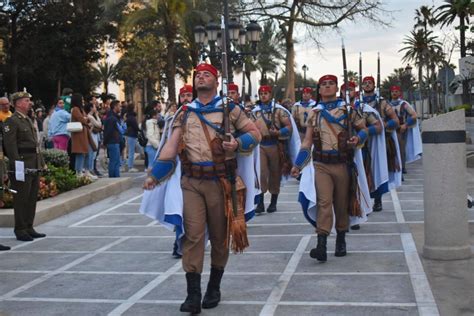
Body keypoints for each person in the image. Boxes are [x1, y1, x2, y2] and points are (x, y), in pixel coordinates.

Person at [142, 63, 261, 314]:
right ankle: (192, 294)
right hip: (192, 183)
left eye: (207, 74)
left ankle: (214, 287)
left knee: (219, 237)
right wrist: (155, 175)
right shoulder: (185, 112)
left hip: (220, 181)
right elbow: (171, 147)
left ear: (216, 81)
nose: (201, 77)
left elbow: (255, 133)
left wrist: (237, 143)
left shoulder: (230, 108)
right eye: (197, 75)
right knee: (193, 235)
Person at [291, 75, 369, 262]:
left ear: (336, 87)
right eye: (323, 84)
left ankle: (341, 239)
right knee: (324, 202)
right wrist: (298, 164)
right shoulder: (314, 112)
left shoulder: (349, 109)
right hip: (321, 164)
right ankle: (321, 244)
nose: (327, 87)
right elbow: (307, 142)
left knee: (341, 203)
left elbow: (364, 129)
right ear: (319, 90)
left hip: (342, 163)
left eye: (330, 84)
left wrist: (357, 139)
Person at [3, 91, 47, 242]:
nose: (30, 103)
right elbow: (10, 146)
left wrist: (41, 163)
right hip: (22, 165)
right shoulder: (12, 121)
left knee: (31, 197)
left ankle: (29, 226)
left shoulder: (27, 120)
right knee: (21, 198)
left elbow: (35, 146)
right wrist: (17, 166)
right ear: (18, 103)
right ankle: (20, 229)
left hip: (33, 164)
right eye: (27, 101)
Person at [252, 85, 298, 214]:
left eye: (266, 93)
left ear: (270, 95)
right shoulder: (254, 112)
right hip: (261, 145)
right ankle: (260, 203)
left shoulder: (279, 111)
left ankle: (273, 202)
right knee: (261, 173)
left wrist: (278, 132)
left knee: (275, 174)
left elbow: (289, 127)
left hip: (275, 145)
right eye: (261, 93)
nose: (263, 95)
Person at [362, 77, 401, 212]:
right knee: (363, 170)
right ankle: (364, 200)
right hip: (363, 140)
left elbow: (396, 120)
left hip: (380, 139)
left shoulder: (382, 103)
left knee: (377, 168)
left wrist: (385, 124)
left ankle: (378, 200)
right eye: (365, 83)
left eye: (369, 83)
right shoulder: (358, 102)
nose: (367, 85)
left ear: (374, 85)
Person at [389, 85, 422, 173]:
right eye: (392, 91)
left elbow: (414, 115)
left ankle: (402, 167)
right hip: (390, 129)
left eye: (396, 91)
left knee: (401, 149)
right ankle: (392, 167)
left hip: (401, 129)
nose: (394, 93)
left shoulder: (404, 104)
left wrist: (406, 125)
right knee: (390, 148)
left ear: (399, 93)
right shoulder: (388, 104)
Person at [70, 94, 92, 177]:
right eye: (81, 99)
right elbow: (82, 119)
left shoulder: (80, 109)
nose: (83, 101)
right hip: (78, 135)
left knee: (86, 152)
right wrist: (86, 119)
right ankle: (79, 171)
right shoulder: (75, 109)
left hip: (83, 134)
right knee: (80, 153)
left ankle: (86, 171)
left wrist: (86, 119)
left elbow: (86, 118)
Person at [103, 100, 124, 177]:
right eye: (119, 106)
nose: (120, 108)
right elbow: (110, 131)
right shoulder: (113, 118)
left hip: (114, 141)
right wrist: (105, 142)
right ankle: (113, 177)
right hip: (113, 142)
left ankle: (115, 177)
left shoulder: (112, 117)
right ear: (115, 107)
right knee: (114, 161)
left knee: (115, 161)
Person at [124, 104, 140, 172]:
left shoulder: (129, 116)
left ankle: (129, 164)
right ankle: (130, 166)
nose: (136, 109)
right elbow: (135, 127)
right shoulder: (132, 117)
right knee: (131, 151)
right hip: (132, 135)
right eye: (135, 108)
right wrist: (139, 130)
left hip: (130, 135)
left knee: (132, 150)